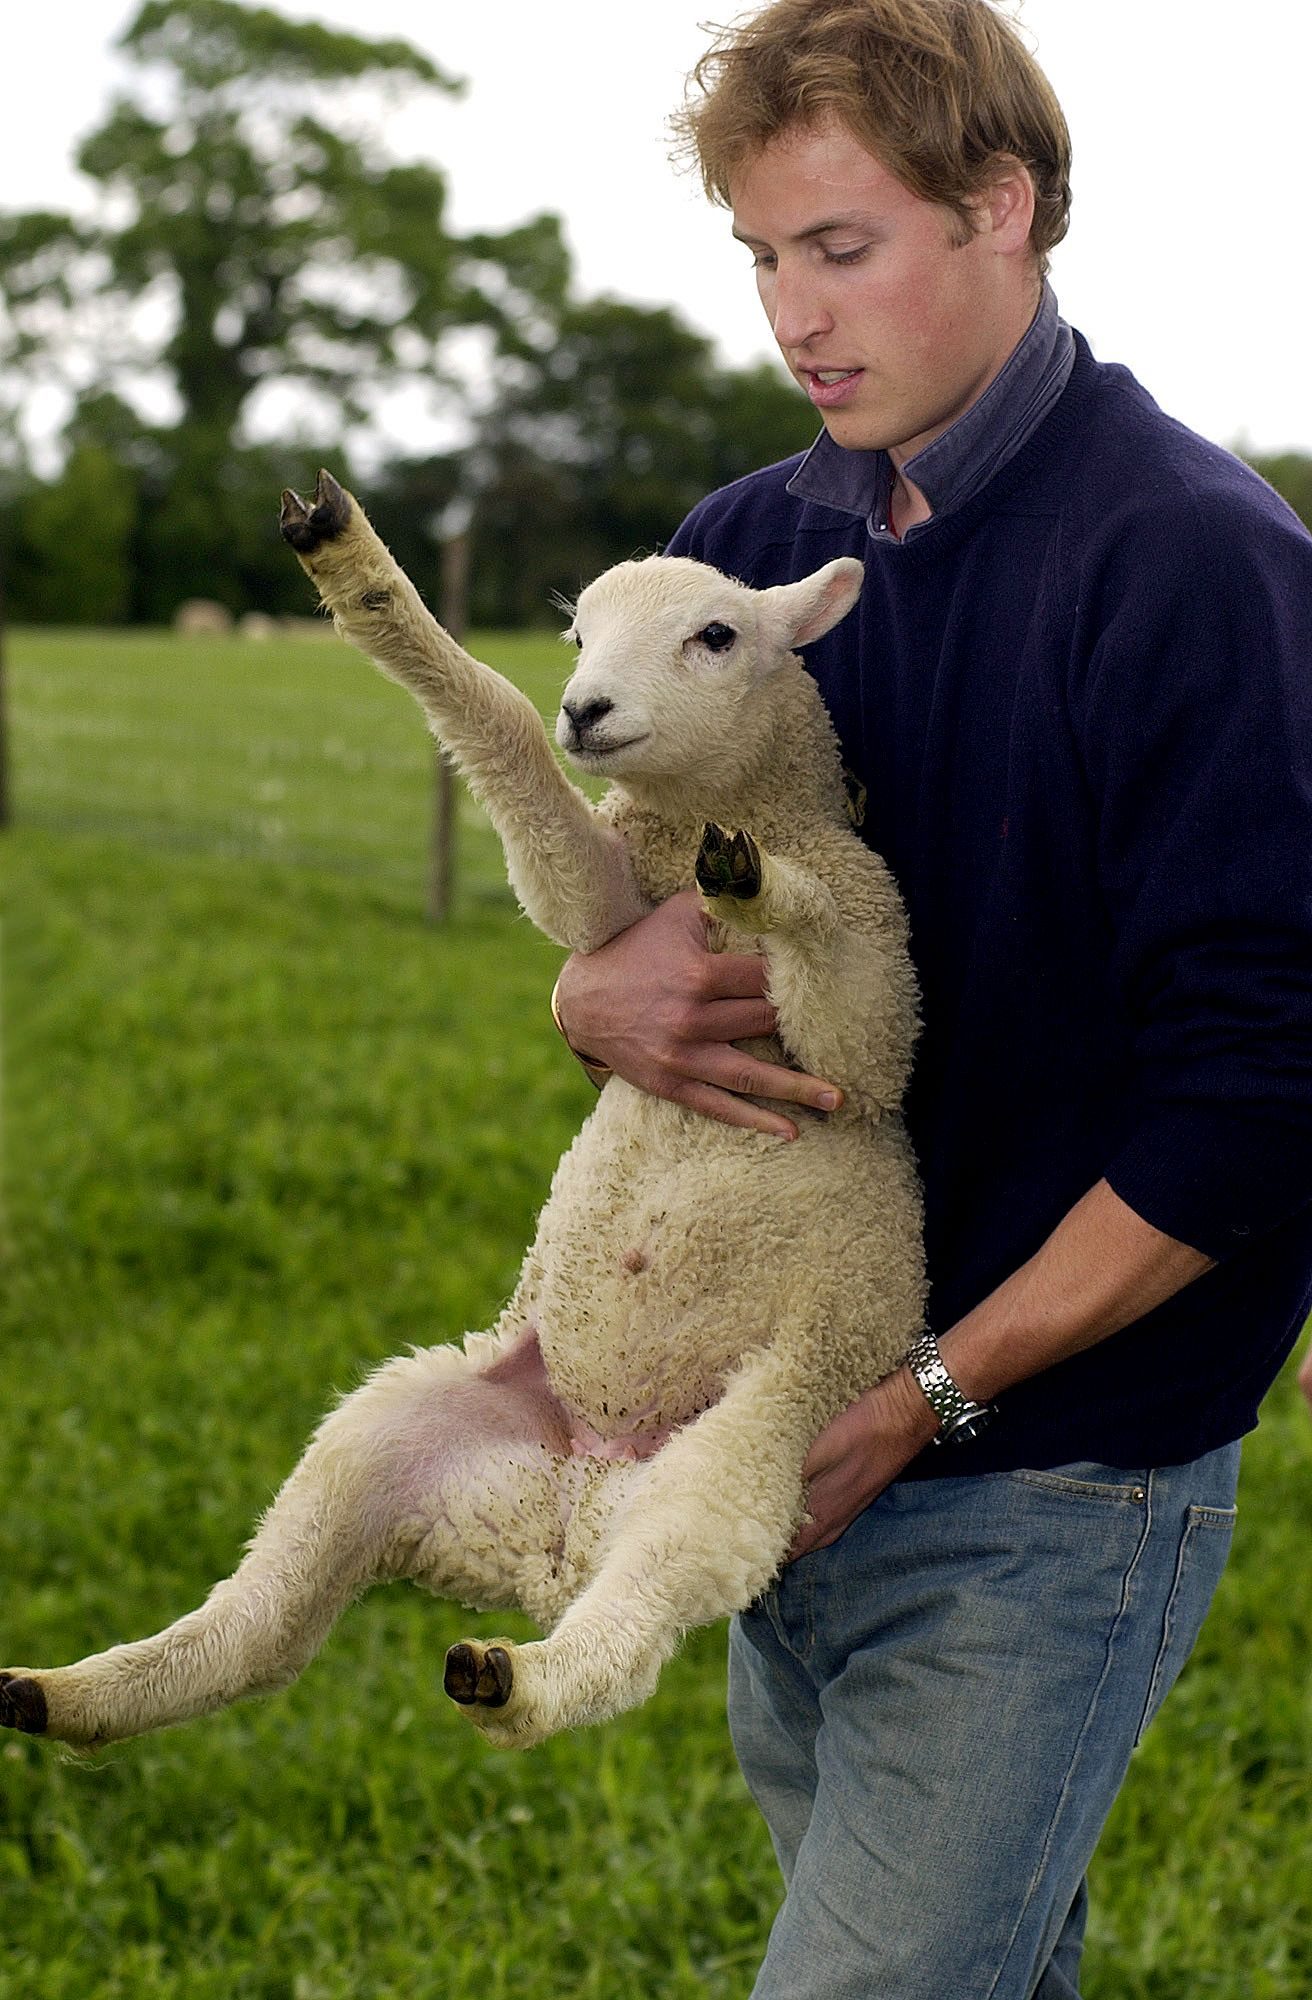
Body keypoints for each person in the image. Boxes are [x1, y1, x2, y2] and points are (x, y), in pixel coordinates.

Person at [552, 2, 1312, 1993]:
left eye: (840, 246)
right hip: (773, 1435)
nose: (793, 314)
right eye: (759, 255)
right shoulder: (738, 551)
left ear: (1007, 208)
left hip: (1051, 1477)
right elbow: (642, 926)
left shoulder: (1188, 562)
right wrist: (592, 994)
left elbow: (1253, 1093)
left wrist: (922, 1400)